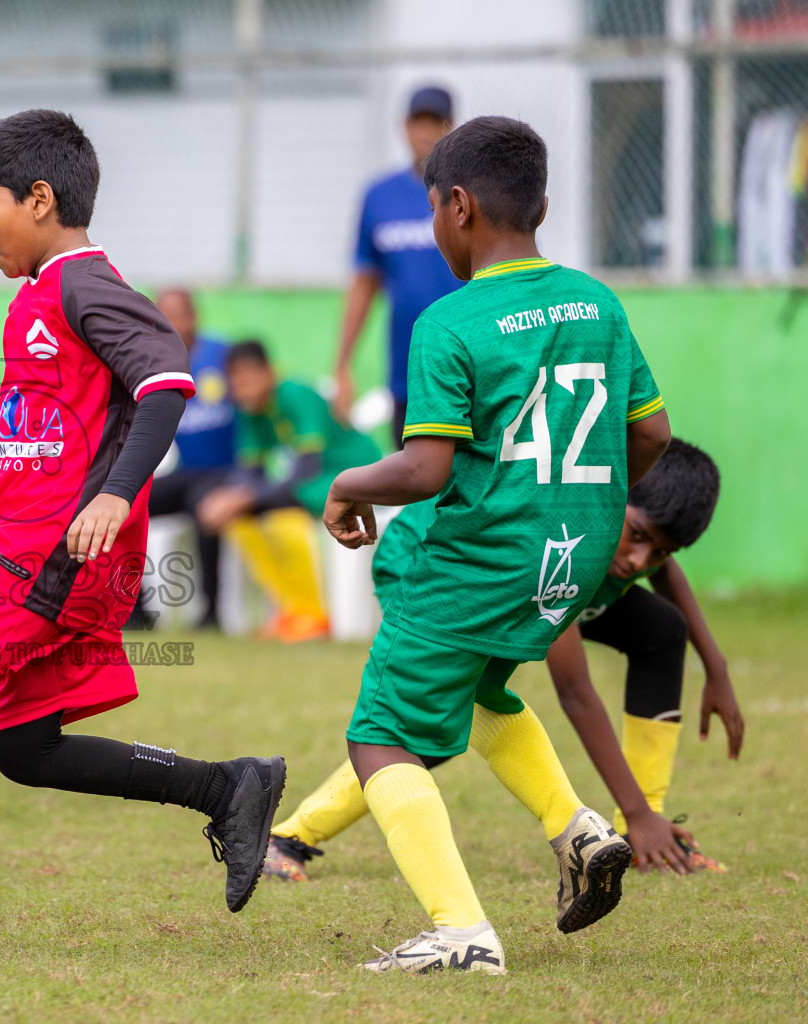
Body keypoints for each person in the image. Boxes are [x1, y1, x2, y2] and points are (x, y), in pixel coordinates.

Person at [0, 110, 285, 954]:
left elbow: (168, 380)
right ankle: (229, 789)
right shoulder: (39, 297)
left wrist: (114, 494)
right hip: (45, 541)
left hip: (53, 548)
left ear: (39, 199)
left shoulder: (81, 281)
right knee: (24, 745)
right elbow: (46, 425)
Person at [320, 116, 672, 974]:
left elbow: (425, 468)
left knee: (379, 738)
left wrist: (345, 485)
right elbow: (655, 434)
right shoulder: (599, 302)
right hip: (575, 551)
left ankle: (461, 934)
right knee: (482, 690)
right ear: (542, 205)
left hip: (486, 552)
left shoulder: (450, 321)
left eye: (435, 209)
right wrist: (582, 501)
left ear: (458, 207)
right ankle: (580, 832)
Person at [266, 438, 737, 884]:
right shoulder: (563, 536)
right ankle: (290, 837)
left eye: (658, 549)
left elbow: (662, 562)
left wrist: (716, 669)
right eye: (636, 535)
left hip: (531, 571)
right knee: (449, 715)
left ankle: (644, 834)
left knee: (661, 632)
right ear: (609, 493)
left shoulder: (620, 531)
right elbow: (576, 693)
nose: (640, 561)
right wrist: (635, 812)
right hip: (435, 565)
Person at [194, 340, 381, 641]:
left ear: (269, 373)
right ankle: (294, 610)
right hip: (315, 481)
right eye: (235, 382)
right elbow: (249, 472)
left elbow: (306, 468)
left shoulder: (295, 394)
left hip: (350, 473)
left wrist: (244, 497)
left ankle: (316, 614)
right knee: (240, 522)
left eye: (248, 379)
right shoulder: (249, 411)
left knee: (286, 511)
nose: (242, 390)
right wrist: (227, 497)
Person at [331, 85, 464, 448]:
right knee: (415, 477)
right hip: (408, 370)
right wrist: (342, 366)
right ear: (403, 127)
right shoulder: (379, 196)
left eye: (435, 122)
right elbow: (364, 283)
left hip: (469, 366)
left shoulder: (469, 190)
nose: (426, 132)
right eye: (418, 122)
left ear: (452, 127)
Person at [137, 289, 236, 629]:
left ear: (194, 316)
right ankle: (135, 611)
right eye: (164, 315)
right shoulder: (152, 366)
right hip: (186, 472)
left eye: (180, 314)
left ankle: (211, 612)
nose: (173, 323)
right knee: (125, 503)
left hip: (227, 472)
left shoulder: (224, 356)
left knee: (204, 504)